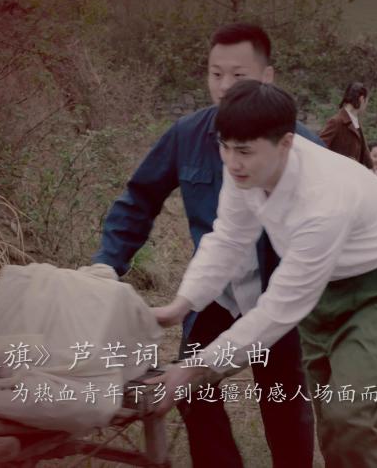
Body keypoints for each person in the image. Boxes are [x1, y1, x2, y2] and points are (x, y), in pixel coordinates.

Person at [148, 80, 377, 468]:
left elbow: (278, 311)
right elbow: (228, 239)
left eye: (244, 151)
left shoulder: (322, 198)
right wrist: (182, 304)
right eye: (224, 146)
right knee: (335, 421)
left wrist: (194, 368)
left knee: (347, 415)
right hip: (324, 289)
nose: (232, 161)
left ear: (285, 143)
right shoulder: (244, 169)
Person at [93, 23, 316, 467]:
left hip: (279, 295)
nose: (224, 86)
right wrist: (106, 264)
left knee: (283, 400)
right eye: (216, 74)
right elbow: (140, 199)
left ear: (267, 77)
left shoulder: (301, 147)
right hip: (215, 291)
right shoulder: (187, 135)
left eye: (239, 75)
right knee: (191, 389)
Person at [319, 82, 373, 169]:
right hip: (337, 173)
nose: (366, 106)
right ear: (362, 99)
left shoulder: (356, 123)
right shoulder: (336, 121)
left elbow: (367, 160)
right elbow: (318, 147)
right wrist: (343, 161)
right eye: (366, 101)